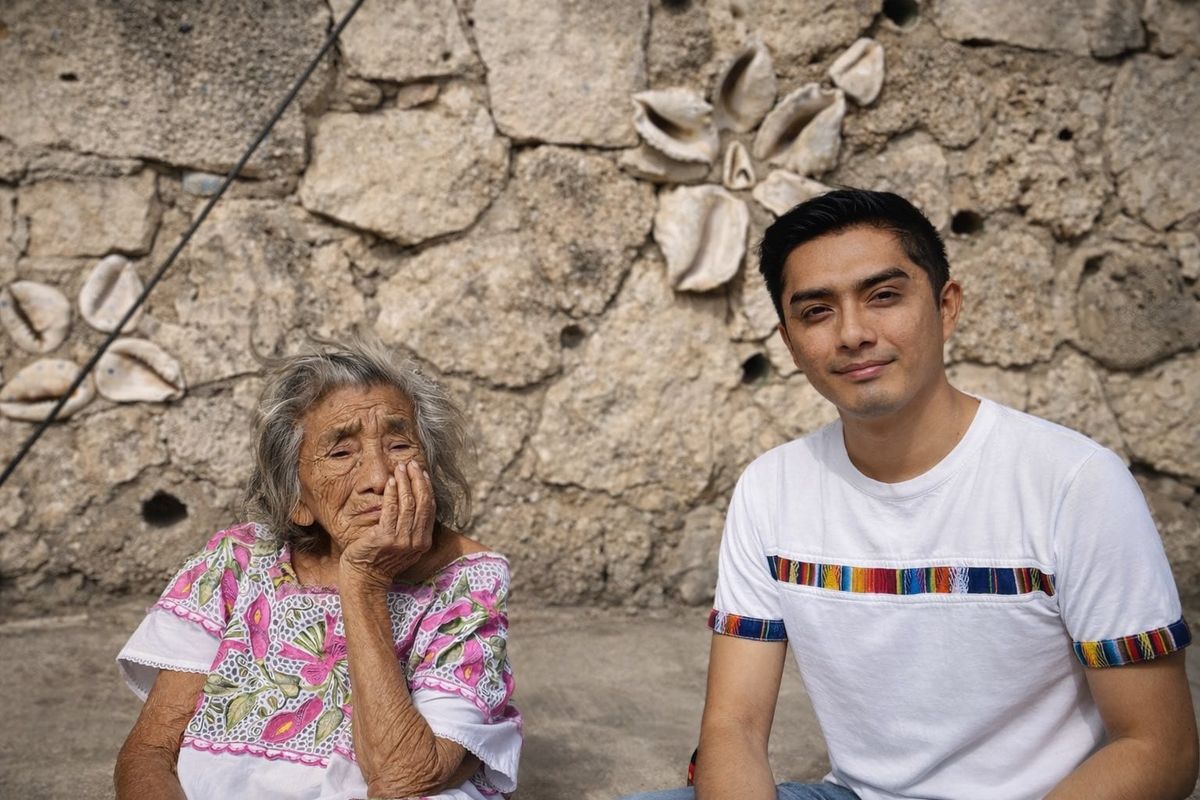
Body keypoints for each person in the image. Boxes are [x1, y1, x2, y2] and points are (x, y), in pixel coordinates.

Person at [626, 190, 1198, 800]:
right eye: (817, 311)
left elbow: (1159, 747)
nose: (852, 333)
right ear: (790, 344)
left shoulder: (1074, 483)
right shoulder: (771, 489)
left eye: (884, 296)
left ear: (947, 307)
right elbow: (733, 727)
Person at [114, 341, 521, 800]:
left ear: (429, 469)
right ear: (297, 499)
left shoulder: (466, 579)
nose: (379, 477)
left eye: (400, 444)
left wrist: (363, 581)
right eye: (341, 453)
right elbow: (150, 752)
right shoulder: (237, 561)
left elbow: (405, 777)